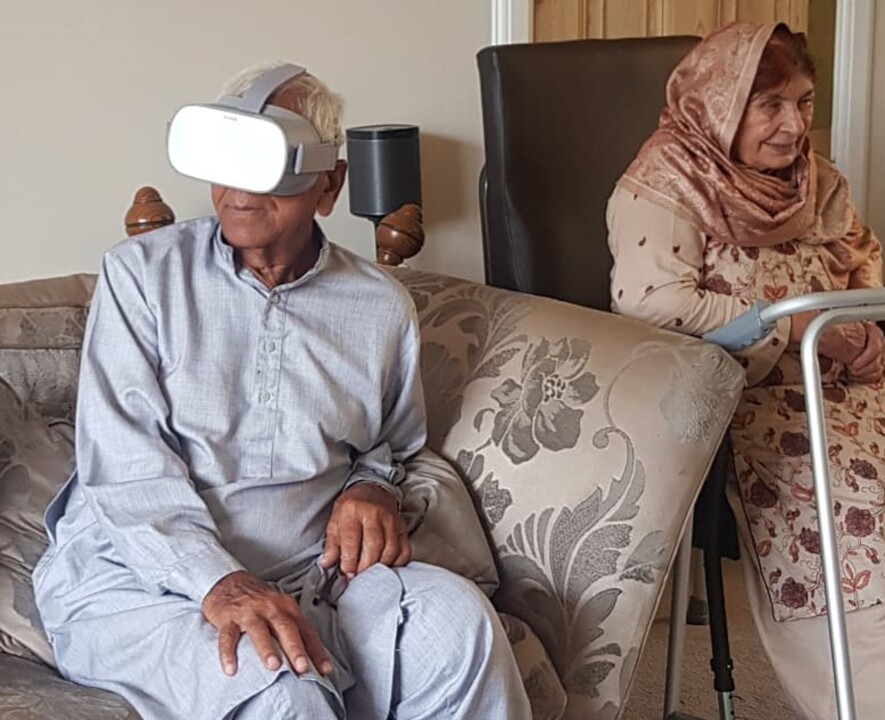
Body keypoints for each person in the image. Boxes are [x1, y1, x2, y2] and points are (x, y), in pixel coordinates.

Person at [32, 63, 532, 720]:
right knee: (283, 693)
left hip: (315, 578)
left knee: (460, 632)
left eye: (266, 161)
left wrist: (370, 488)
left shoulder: (380, 305)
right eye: (227, 157)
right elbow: (125, 471)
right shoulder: (142, 279)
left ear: (329, 185)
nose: (239, 187)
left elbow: (392, 445)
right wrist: (218, 581)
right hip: (141, 582)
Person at [607, 22, 885, 720]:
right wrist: (799, 328)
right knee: (882, 532)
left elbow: (861, 263)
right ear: (719, 104)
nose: (793, 125)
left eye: (803, 103)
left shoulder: (816, 183)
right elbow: (653, 306)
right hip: (747, 402)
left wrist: (869, 336)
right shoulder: (664, 183)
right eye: (768, 104)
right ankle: (871, 705)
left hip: (853, 396)